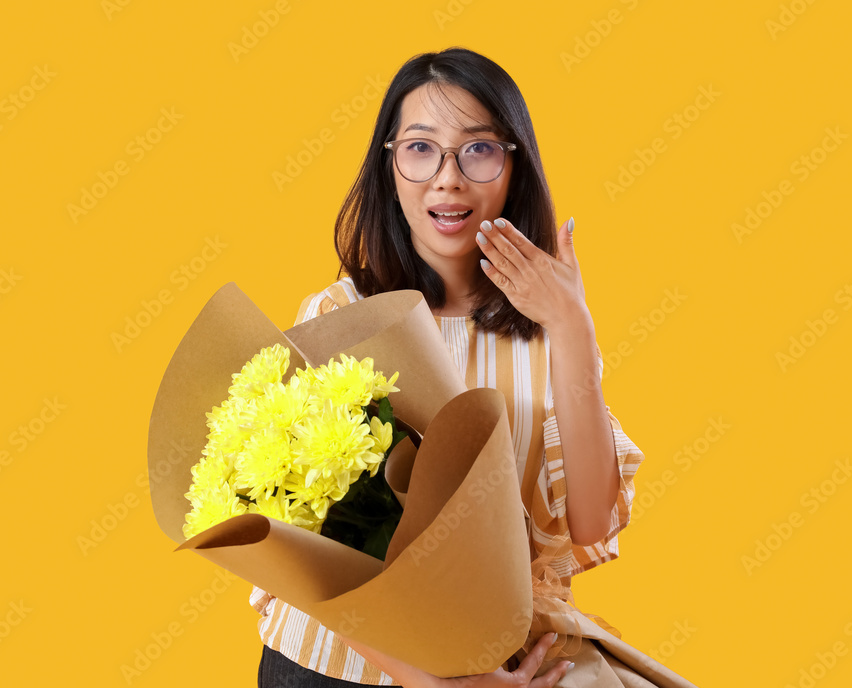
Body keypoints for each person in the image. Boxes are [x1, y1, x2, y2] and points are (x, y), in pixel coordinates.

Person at [252, 47, 681, 687]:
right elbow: (303, 541)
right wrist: (436, 682)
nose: (447, 178)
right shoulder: (342, 312)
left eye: (477, 149)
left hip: (503, 664)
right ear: (389, 167)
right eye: (420, 149)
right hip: (336, 669)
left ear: (514, 166)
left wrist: (571, 327)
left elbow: (590, 518)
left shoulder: (547, 325)